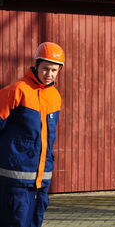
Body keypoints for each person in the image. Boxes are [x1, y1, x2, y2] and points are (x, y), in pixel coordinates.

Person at [0, 42, 65, 227]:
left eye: (54, 70)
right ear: (36, 65)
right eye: (45, 69)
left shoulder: (55, 97)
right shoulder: (17, 91)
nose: (49, 74)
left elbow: (47, 138)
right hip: (15, 180)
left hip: (41, 181)